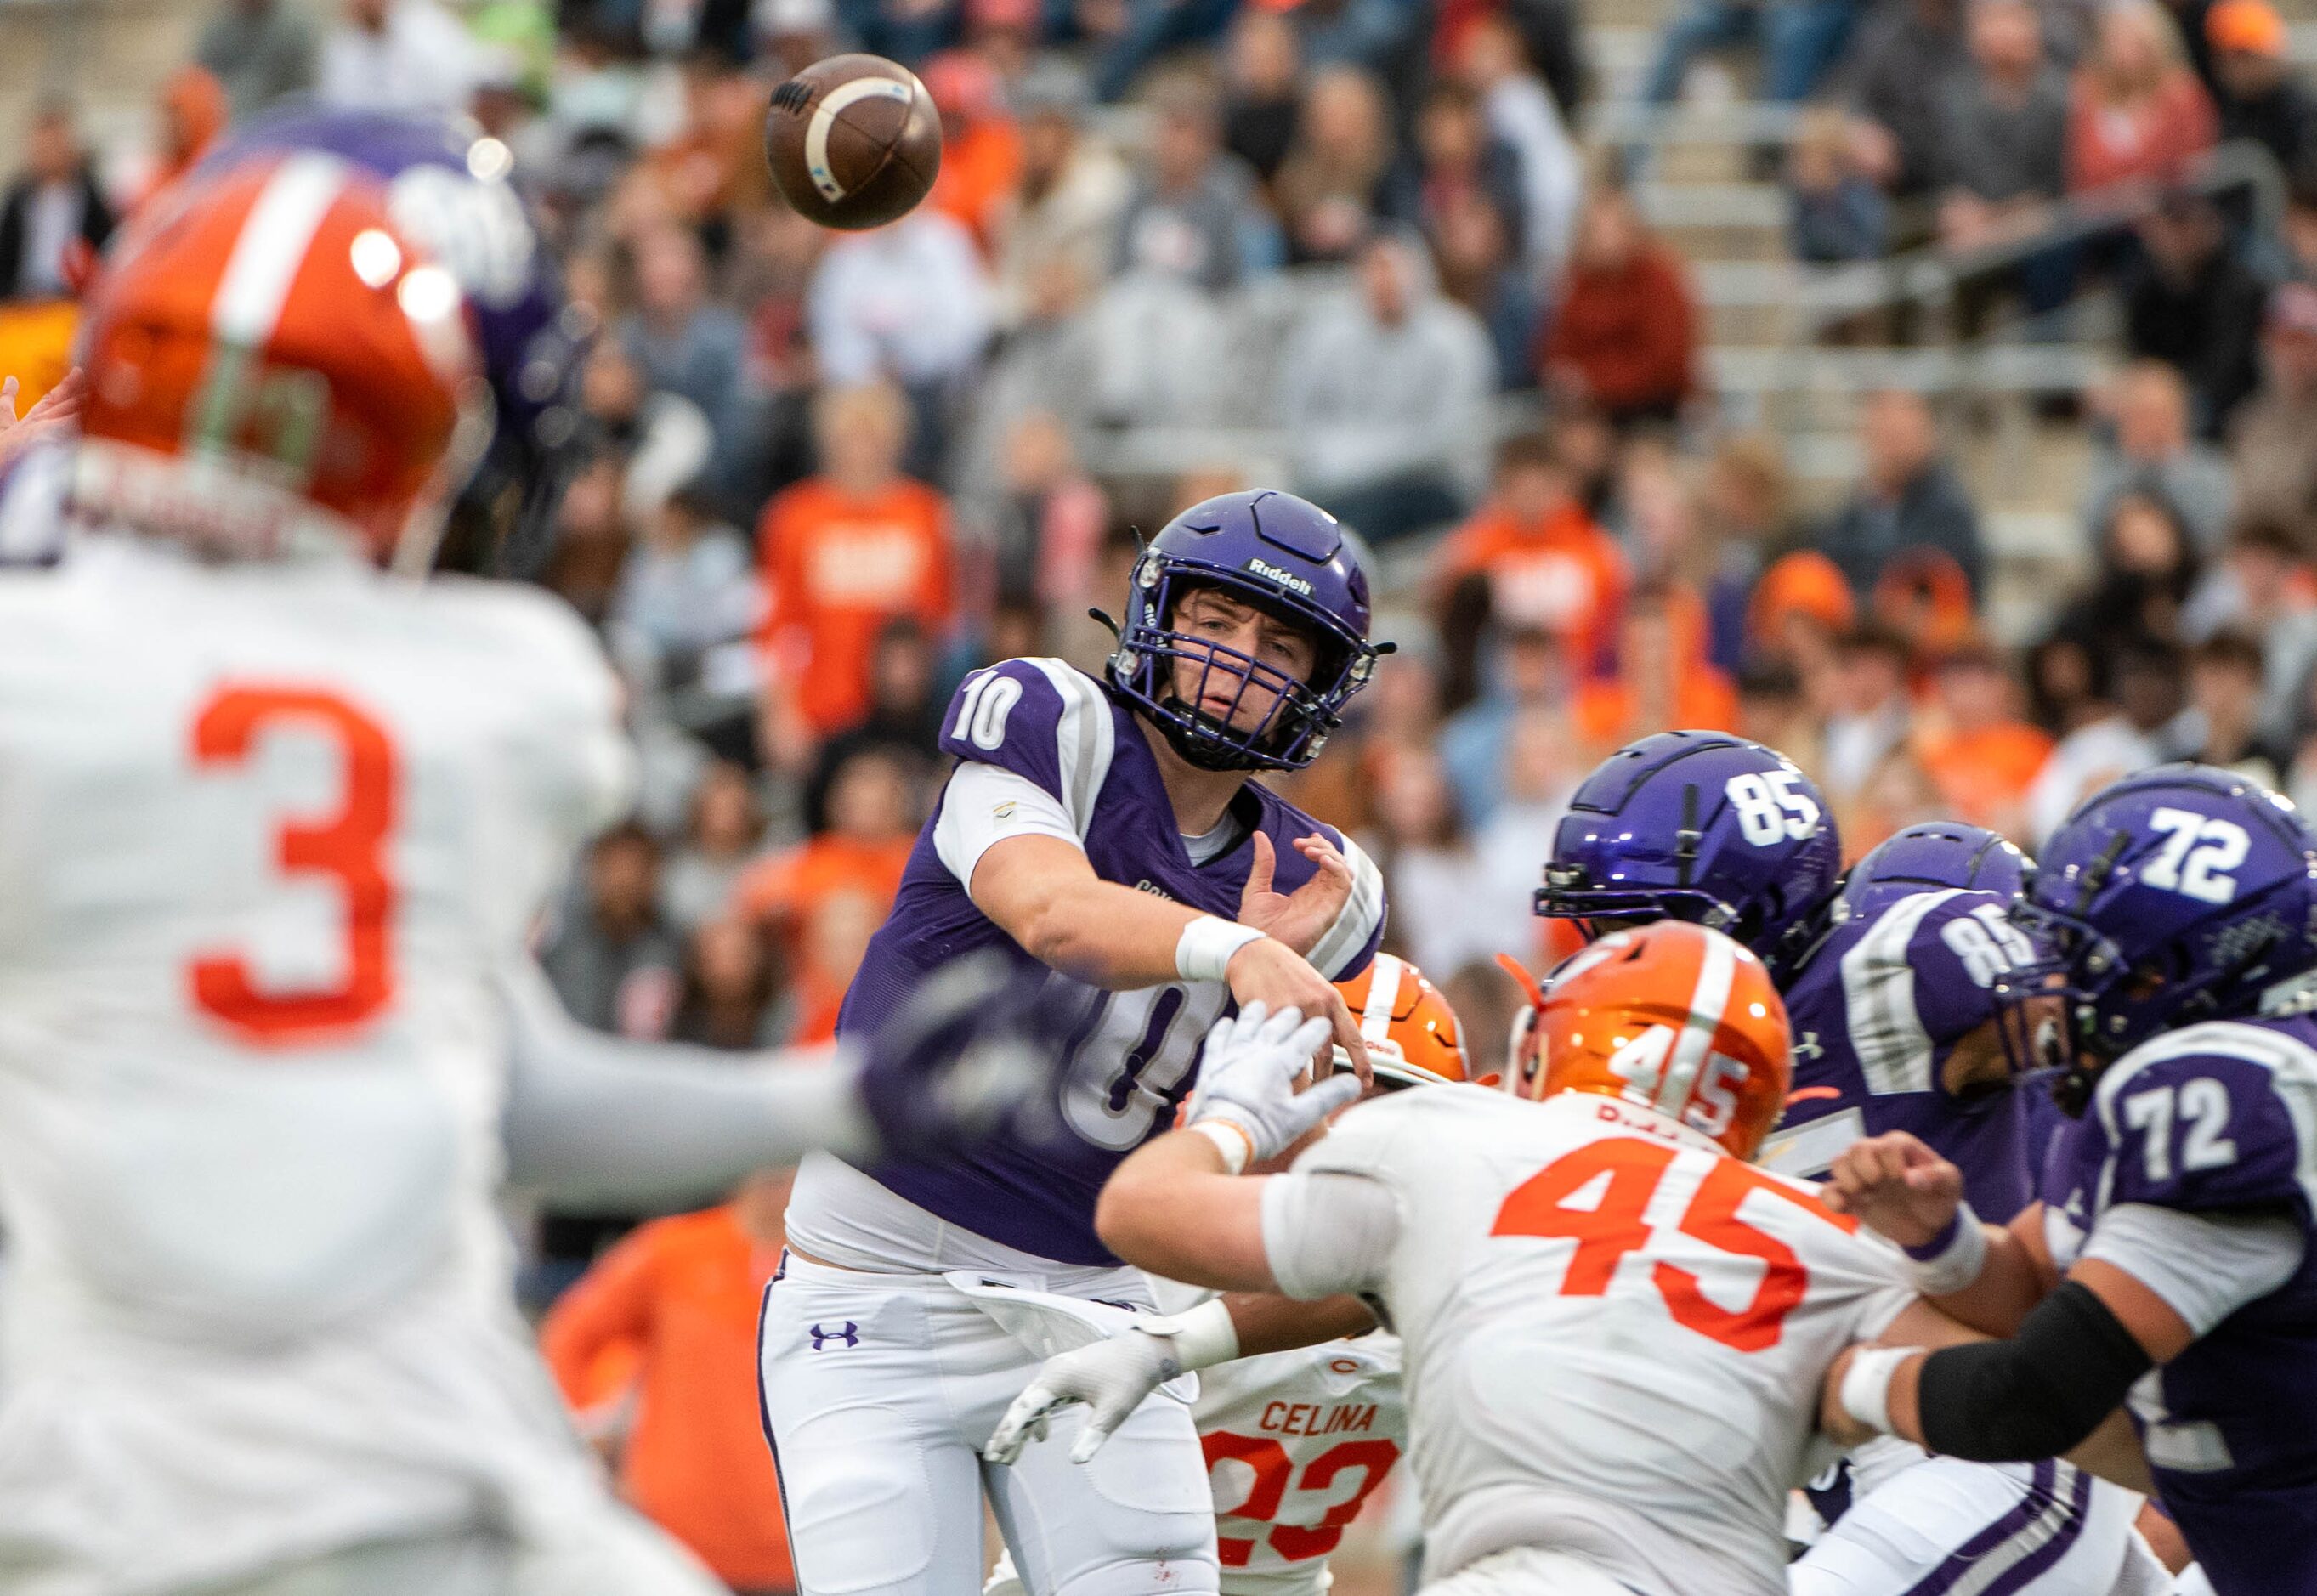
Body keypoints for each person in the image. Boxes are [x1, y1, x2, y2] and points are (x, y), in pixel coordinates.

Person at [0, 132, 1058, 1596]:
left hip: (95, 1495)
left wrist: (841, 1095)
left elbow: (493, 1078)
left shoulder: (44, 664)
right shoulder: (495, 691)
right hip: (413, 1478)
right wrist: (841, 1097)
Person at [758, 490, 1391, 1596]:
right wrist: (1231, 949)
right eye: (1218, 620)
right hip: (875, 1282)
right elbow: (1052, 911)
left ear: (1321, 683)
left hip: (1097, 1303)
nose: (1238, 659)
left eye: (1278, 642)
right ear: (1154, 611)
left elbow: (1298, 1146)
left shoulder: (1326, 886)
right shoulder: (1051, 717)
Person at [1023, 920, 2008, 1595]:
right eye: (1315, 1093)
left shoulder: (1459, 1207)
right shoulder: (1796, 1224)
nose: (1340, 1130)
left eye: (1375, 1100)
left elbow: (1340, 1279)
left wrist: (1232, 1145)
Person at [1534, 733, 2154, 1592]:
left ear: (1748, 910)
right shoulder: (1648, 1062)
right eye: (1595, 929)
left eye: (1633, 926)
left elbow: (2106, 1008)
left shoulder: (1889, 966)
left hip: (1976, 1445)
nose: (1611, 960)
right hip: (1842, 1474)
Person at [1821, 765, 2317, 1594]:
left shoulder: (2233, 1098)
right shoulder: (2178, 1088)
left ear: (2167, 973)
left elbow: (2032, 1395)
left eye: (2075, 954)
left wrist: (1843, 1380)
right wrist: (1936, 1236)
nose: (2047, 984)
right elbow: (2034, 1287)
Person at [983, 959, 1478, 1596]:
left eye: (1383, 1114)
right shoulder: (1145, 1247)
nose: (1343, 1142)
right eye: (1317, 1098)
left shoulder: (1448, 1259)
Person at [542, 1169, 803, 1595]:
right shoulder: (672, 1249)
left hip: (800, 1533)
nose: (776, 1175)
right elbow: (572, 1337)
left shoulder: (842, 1263)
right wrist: (592, 1427)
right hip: (677, 1532)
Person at [755, 382, 955, 745]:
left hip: (907, 714)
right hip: (821, 709)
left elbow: (937, 622)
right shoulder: (795, 516)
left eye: (874, 437)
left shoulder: (924, 513)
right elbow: (778, 625)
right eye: (849, 437)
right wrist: (780, 711)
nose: (861, 451)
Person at [1279, 231, 1494, 543]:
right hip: (1331, 478)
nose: (1386, 282)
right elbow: (1295, 415)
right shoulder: (1323, 335)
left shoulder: (1456, 337)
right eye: (1374, 269)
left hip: (1421, 481)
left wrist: (1361, 461)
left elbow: (1452, 436)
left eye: (1395, 270)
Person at [1538, 188, 1698, 431]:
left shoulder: (1661, 281)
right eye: (1595, 231)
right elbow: (1557, 346)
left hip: (1651, 414)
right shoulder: (1576, 283)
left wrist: (1594, 382)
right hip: (1585, 414)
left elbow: (1663, 366)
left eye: (1613, 229)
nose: (1605, 240)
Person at [1816, 389, 1987, 602]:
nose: (1893, 450)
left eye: (1901, 436)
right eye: (1884, 436)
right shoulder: (1853, 514)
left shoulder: (1948, 513)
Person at [0, 104, 115, 303]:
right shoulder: (18, 199)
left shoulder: (90, 198)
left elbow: (105, 251)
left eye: (55, 145)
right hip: (22, 301)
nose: (48, 153)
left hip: (71, 300)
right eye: (42, 146)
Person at [196, 0, 322, 120]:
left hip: (275, 124)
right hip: (224, 124)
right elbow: (199, 81)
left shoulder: (294, 28)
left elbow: (302, 97)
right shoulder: (219, 27)